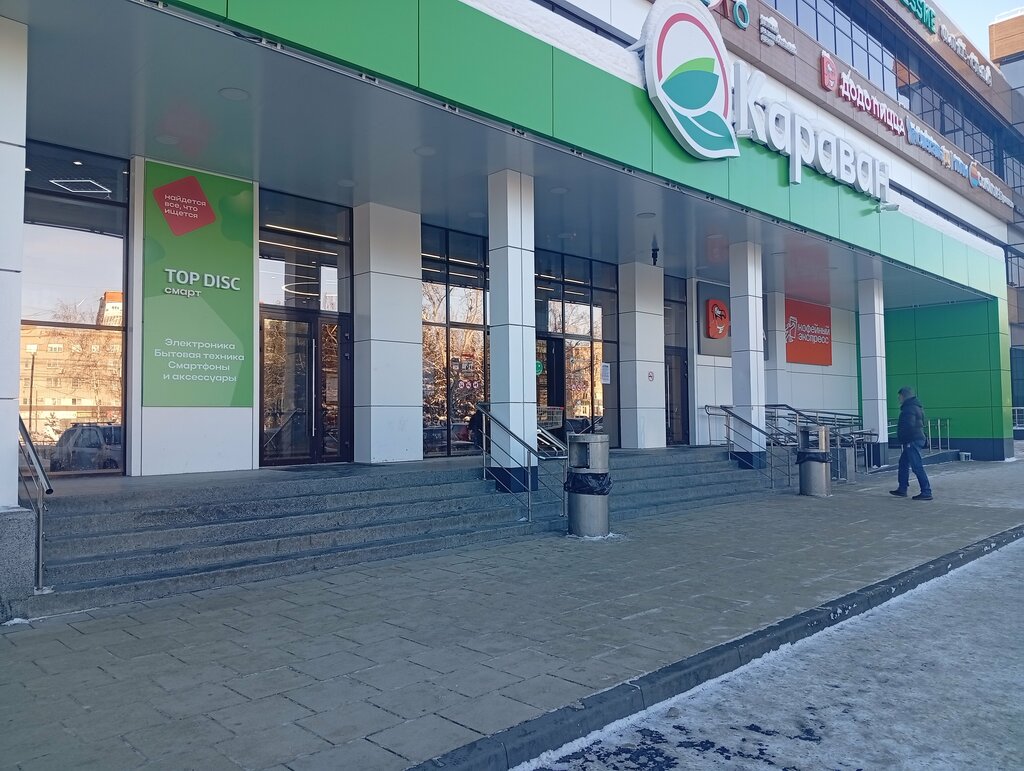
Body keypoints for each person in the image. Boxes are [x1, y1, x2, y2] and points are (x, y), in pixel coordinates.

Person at [890, 386, 932, 501]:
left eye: (899, 396)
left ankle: (926, 491)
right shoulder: (916, 407)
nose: (898, 399)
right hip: (915, 439)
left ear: (904, 396)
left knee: (916, 466)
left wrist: (904, 439)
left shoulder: (908, 409)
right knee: (903, 463)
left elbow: (909, 425)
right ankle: (902, 488)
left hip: (912, 440)